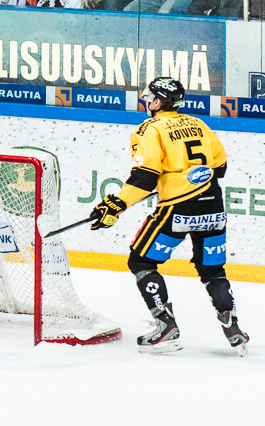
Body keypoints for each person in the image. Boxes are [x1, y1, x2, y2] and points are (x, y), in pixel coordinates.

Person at [89, 77, 249, 355]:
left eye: (149, 96)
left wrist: (116, 204)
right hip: (213, 205)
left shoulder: (148, 129)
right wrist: (183, 175)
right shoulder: (197, 123)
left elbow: (145, 177)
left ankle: (165, 326)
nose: (145, 100)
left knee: (141, 261)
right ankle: (232, 326)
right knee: (212, 270)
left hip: (178, 207)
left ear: (158, 101)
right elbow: (220, 167)